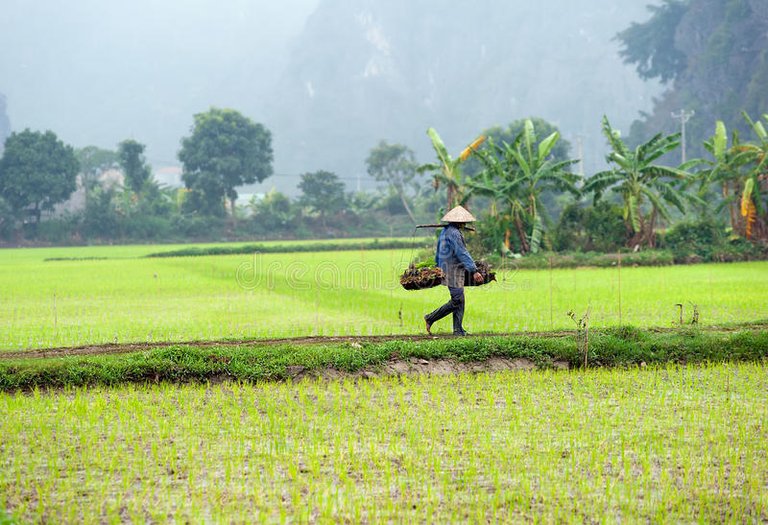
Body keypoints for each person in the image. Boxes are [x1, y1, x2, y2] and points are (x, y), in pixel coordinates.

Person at [424, 205, 484, 336]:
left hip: (449, 268)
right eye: (463, 221)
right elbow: (462, 252)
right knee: (457, 299)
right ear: (460, 222)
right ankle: (430, 317)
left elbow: (439, 253)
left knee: (460, 298)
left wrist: (437, 266)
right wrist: (474, 270)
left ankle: (458, 330)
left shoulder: (445, 231)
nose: (465, 223)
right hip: (452, 270)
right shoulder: (454, 233)